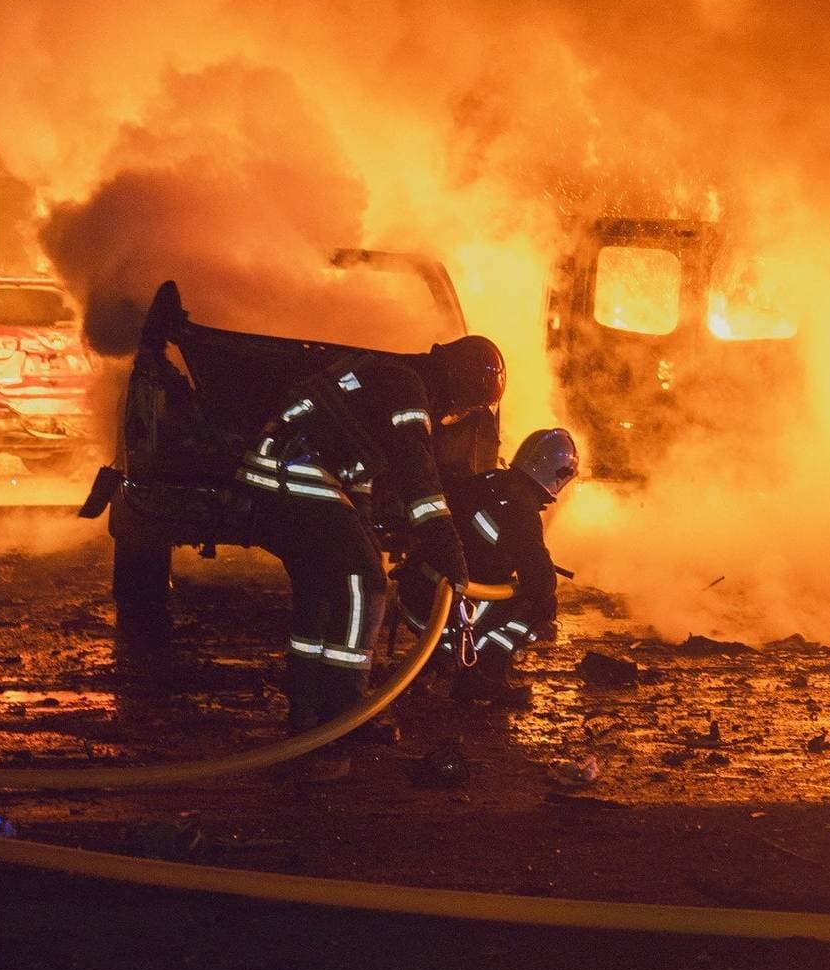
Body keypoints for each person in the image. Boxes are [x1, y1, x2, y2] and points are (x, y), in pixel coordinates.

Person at [238, 332, 506, 778]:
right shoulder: (409, 390)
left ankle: (308, 717)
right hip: (295, 471)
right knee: (364, 581)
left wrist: (366, 526)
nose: (458, 416)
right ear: (457, 383)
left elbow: (357, 471)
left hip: (279, 471)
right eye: (467, 405)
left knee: (322, 594)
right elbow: (418, 478)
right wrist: (448, 549)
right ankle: (343, 714)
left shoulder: (389, 376)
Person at [399, 427, 579, 706]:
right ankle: (482, 677)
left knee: (498, 593)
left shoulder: (485, 482)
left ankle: (442, 658)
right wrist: (531, 564)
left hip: (415, 598)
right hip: (444, 611)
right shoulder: (521, 510)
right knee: (540, 605)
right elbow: (541, 584)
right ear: (559, 475)